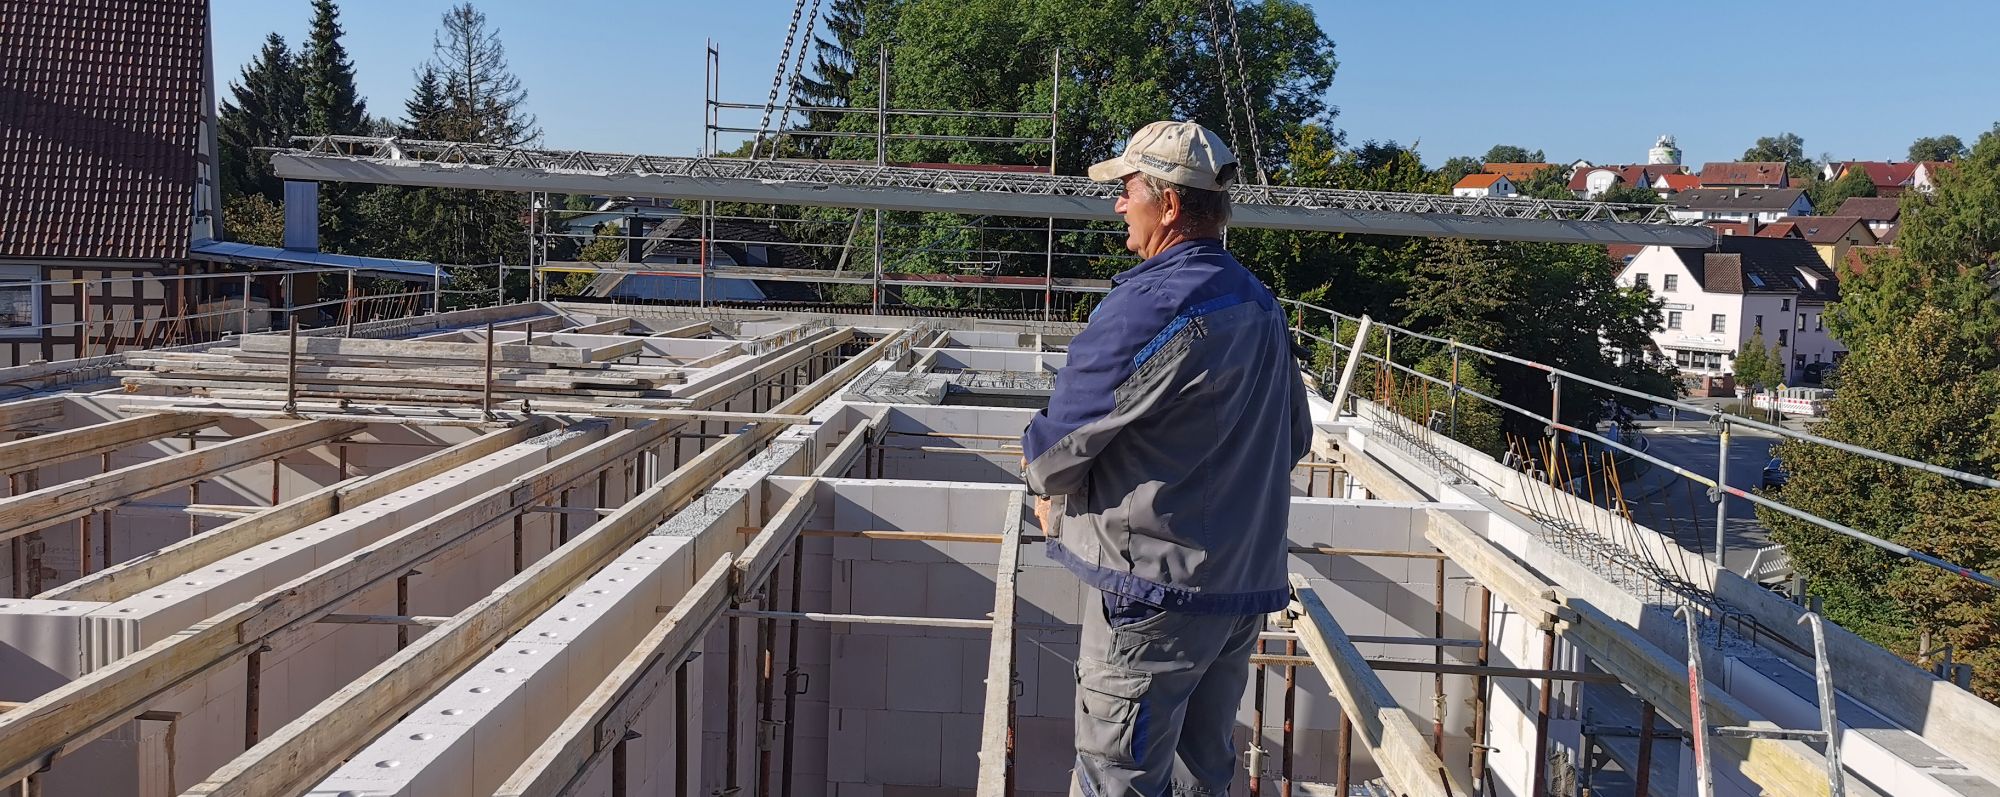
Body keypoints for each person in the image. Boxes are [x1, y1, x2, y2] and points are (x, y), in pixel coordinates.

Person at [1019, 120, 1312, 797]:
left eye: (1127, 190)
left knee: (1117, 777)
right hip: (1239, 591)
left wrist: (1045, 488)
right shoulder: (1258, 302)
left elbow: (1059, 447)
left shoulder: (1149, 305)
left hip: (1152, 595)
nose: (1118, 204)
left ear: (1170, 204)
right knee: (1201, 776)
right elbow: (1293, 437)